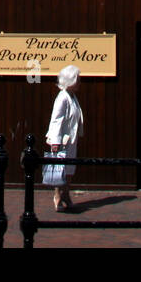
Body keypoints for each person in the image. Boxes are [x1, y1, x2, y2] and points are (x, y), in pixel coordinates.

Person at [46, 64, 84, 213]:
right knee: (60, 168)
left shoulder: (72, 97)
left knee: (69, 168)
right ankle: (57, 195)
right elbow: (56, 119)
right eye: (78, 79)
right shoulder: (62, 98)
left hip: (71, 139)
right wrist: (55, 140)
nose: (80, 82)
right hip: (62, 140)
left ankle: (66, 194)